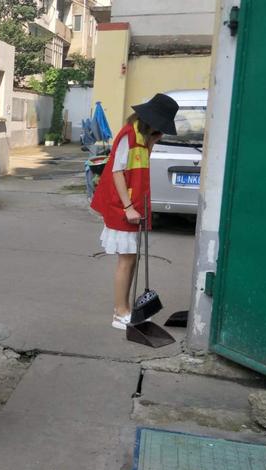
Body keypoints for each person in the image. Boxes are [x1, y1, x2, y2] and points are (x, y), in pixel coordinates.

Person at [90, 93, 178, 329]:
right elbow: (117, 172)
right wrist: (128, 207)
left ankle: (126, 308)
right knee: (126, 261)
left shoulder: (142, 138)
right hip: (123, 207)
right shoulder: (128, 135)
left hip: (135, 207)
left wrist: (152, 141)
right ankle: (120, 313)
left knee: (131, 260)